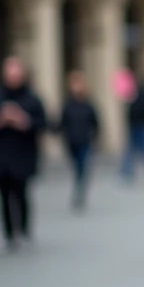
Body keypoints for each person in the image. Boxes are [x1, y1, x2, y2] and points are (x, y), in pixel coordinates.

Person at [0, 56, 48, 251]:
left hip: (23, 156)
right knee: (2, 196)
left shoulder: (31, 98)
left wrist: (23, 121)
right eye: (10, 75)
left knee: (21, 194)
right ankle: (8, 234)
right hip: (0, 156)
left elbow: (43, 122)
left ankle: (24, 232)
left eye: (16, 75)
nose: (13, 78)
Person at [56, 71, 100, 210]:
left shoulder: (88, 105)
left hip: (85, 140)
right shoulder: (67, 105)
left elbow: (96, 122)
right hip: (71, 141)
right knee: (76, 166)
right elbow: (61, 123)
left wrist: (95, 137)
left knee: (82, 166)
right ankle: (78, 186)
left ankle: (79, 191)